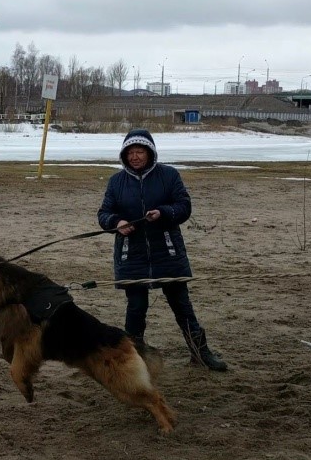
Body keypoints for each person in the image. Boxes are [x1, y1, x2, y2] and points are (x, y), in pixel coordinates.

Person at [97, 129, 229, 371]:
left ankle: (200, 354)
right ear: (124, 155)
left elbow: (184, 207)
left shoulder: (169, 175)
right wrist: (117, 222)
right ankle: (134, 361)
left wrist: (164, 213)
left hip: (168, 254)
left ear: (150, 153)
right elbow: (104, 214)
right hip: (132, 256)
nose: (135, 156)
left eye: (140, 151)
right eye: (130, 152)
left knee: (182, 306)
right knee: (136, 310)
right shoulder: (116, 182)